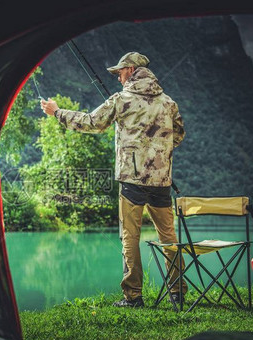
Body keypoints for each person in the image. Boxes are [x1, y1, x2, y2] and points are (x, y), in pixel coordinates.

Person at [41, 51, 186, 307]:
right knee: (169, 237)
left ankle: (133, 297)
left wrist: (56, 112)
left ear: (130, 70)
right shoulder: (169, 103)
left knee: (130, 238)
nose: (119, 78)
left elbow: (92, 123)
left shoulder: (121, 100)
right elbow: (179, 135)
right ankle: (178, 292)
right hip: (162, 182)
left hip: (132, 182)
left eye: (120, 72)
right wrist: (156, 152)